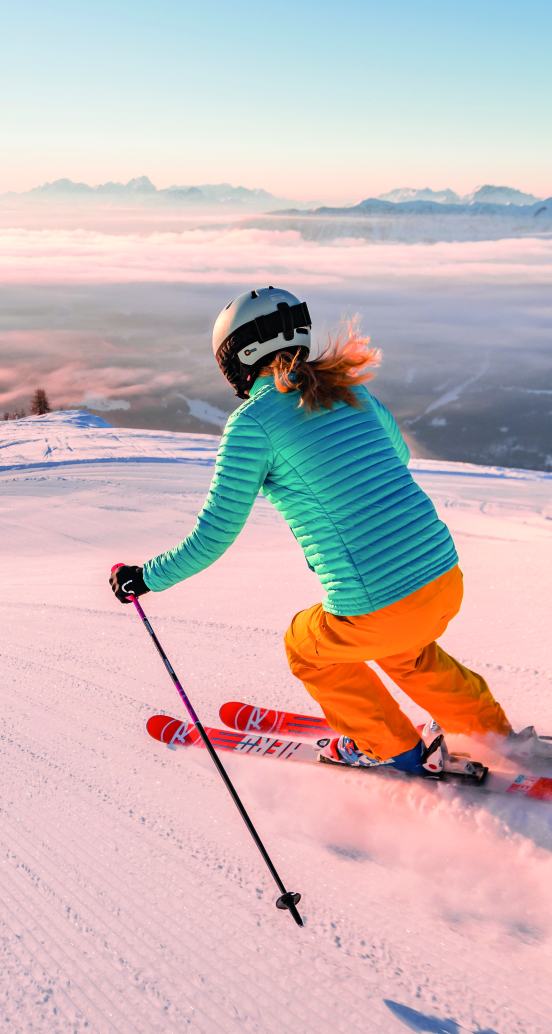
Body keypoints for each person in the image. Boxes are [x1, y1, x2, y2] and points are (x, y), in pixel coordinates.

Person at [109, 287, 512, 775]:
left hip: (380, 603)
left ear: (236, 358)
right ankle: (491, 733)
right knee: (406, 651)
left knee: (307, 646)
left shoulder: (252, 425)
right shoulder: (351, 390)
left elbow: (213, 536)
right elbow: (398, 459)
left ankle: (390, 749)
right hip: (445, 579)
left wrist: (145, 577)